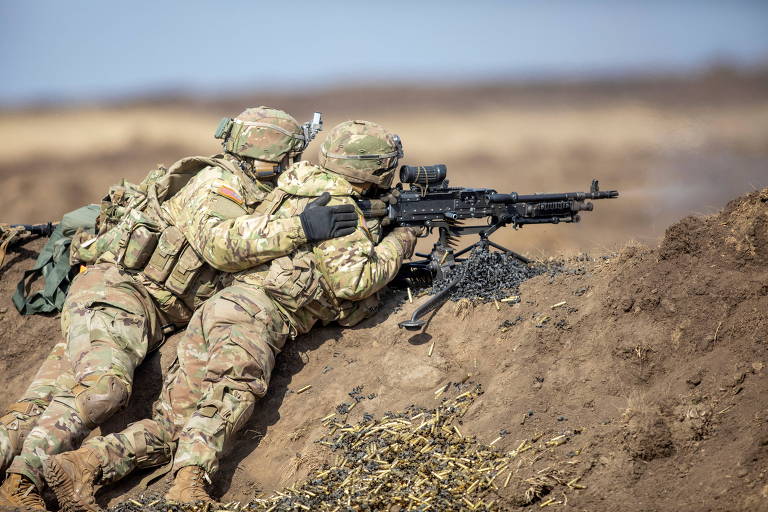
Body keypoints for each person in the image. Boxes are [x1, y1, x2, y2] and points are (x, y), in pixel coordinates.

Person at [43, 120, 418, 511]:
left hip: (220, 310)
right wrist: (402, 239)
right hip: (251, 316)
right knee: (232, 392)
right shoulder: (338, 208)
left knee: (174, 424)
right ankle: (188, 484)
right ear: (377, 169)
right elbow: (354, 281)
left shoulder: (300, 187)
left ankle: (84, 464)